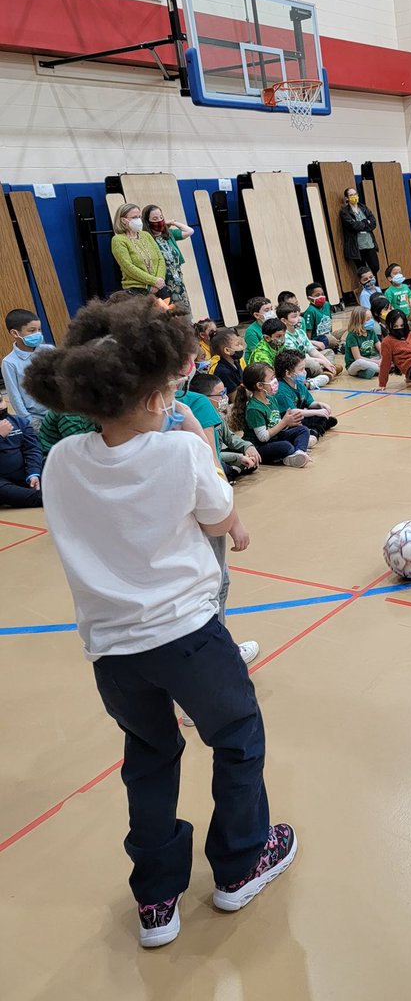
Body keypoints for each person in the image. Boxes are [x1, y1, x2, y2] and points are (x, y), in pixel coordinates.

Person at [24, 297, 295, 948]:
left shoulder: (61, 462)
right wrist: (196, 441)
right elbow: (217, 514)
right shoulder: (179, 452)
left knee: (148, 757)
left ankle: (156, 902)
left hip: (113, 651)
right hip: (189, 639)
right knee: (236, 735)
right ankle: (240, 864)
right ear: (151, 398)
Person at [228, 363, 312, 466]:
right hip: (259, 446)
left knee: (303, 430)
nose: (275, 381)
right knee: (286, 446)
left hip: (274, 437)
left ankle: (299, 452)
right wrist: (284, 422)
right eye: (271, 379)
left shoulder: (271, 399)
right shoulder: (254, 408)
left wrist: (288, 424)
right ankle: (288, 456)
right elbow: (263, 437)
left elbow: (275, 423)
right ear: (260, 385)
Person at [188, 372, 261, 484]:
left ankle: (233, 471)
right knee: (222, 465)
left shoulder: (218, 414)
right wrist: (238, 457)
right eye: (221, 394)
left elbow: (230, 437)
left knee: (251, 461)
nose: (225, 397)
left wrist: (247, 446)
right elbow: (211, 454)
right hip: (210, 460)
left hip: (222, 456)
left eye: (225, 392)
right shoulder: (196, 422)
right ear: (204, 399)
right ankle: (231, 471)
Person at [3, 308, 52, 431]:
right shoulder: (9, 363)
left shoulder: (49, 350)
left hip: (59, 411)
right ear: (15, 333)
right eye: (32, 330)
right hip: (36, 419)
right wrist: (29, 421)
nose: (38, 334)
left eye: (39, 329)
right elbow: (14, 395)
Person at [273, 350, 337, 440]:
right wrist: (317, 412)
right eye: (301, 369)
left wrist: (319, 404)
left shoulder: (299, 384)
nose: (304, 372)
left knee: (329, 419)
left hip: (300, 417)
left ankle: (313, 429)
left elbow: (309, 403)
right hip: (288, 422)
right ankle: (314, 433)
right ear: (288, 373)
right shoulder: (281, 389)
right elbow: (292, 412)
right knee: (318, 418)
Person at [143, 206, 194, 314]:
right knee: (168, 311)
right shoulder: (146, 239)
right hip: (162, 281)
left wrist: (172, 223)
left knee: (183, 309)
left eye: (161, 217)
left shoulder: (169, 234)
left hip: (177, 279)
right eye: (155, 219)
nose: (159, 221)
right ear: (147, 221)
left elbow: (189, 231)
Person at [110, 202, 168, 297]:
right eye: (134, 217)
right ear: (123, 220)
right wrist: (153, 281)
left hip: (159, 287)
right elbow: (128, 267)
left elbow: (160, 259)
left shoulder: (146, 235)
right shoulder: (118, 240)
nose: (138, 220)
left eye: (139, 216)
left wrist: (159, 280)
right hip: (137, 291)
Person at [277, 302, 339, 382]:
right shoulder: (284, 336)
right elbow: (296, 358)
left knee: (329, 352)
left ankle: (326, 371)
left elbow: (312, 350)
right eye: (294, 317)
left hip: (307, 357)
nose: (299, 319)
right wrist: (322, 361)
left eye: (299, 315)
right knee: (314, 365)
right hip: (297, 361)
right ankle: (322, 374)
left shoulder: (300, 332)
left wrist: (327, 362)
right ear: (284, 320)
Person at [0, 399, 42, 508]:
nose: (0, 407)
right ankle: (45, 497)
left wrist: (33, 473)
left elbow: (33, 449)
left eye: (0, 401)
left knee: (51, 465)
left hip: (23, 474)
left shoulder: (20, 422)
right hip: (2, 482)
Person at [339, 186, 379, 279]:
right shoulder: (345, 211)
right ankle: (366, 289)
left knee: (375, 267)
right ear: (346, 198)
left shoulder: (364, 208)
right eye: (351, 195)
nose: (354, 196)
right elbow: (353, 225)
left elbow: (373, 223)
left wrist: (362, 224)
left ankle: (375, 288)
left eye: (355, 194)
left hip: (369, 243)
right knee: (362, 270)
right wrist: (365, 222)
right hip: (357, 246)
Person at [303, 283, 342, 354]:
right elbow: (308, 333)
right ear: (309, 298)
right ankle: (338, 347)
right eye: (317, 295)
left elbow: (329, 321)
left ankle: (336, 345)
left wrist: (330, 334)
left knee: (346, 330)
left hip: (328, 334)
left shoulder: (327, 304)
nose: (321, 297)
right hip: (318, 339)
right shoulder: (310, 311)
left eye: (322, 294)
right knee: (331, 340)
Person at [344, 307, 382, 378]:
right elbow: (358, 358)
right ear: (359, 321)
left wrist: (383, 358)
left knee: (388, 354)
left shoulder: (371, 331)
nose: (371, 321)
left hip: (370, 359)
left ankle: (365, 373)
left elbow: (380, 347)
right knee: (360, 362)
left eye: (371, 318)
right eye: (368, 319)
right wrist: (378, 362)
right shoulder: (352, 336)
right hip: (354, 365)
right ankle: (384, 369)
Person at [211, 328, 246, 399]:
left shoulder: (236, 361)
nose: (241, 347)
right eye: (237, 345)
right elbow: (235, 399)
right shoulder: (224, 372)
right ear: (227, 350)